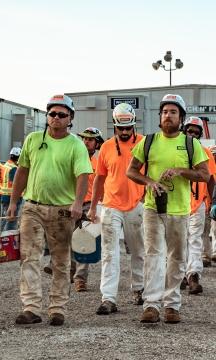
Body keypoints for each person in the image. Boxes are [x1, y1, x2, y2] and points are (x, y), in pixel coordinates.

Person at [8, 94, 92, 326]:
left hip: (62, 211)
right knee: (29, 258)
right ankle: (31, 307)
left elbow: (83, 175)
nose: (55, 118)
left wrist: (77, 203)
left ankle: (57, 309)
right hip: (33, 207)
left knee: (60, 261)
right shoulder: (33, 139)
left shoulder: (76, 144)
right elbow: (22, 171)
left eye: (61, 114)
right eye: (52, 114)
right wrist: (14, 201)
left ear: (70, 118)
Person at [127, 94, 209, 324]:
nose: (168, 116)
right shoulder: (149, 141)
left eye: (173, 112)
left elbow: (205, 174)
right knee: (153, 254)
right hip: (153, 207)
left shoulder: (191, 144)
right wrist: (149, 182)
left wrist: (181, 171)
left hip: (180, 210)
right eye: (164, 112)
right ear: (160, 116)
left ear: (180, 117)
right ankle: (151, 305)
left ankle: (172, 305)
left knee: (177, 256)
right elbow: (131, 171)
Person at [87, 103, 145, 314]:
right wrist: (94, 208)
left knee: (139, 251)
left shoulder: (143, 144)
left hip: (137, 205)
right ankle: (108, 298)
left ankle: (139, 289)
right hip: (111, 206)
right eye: (121, 128)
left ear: (133, 125)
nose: (124, 132)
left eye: (128, 128)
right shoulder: (106, 147)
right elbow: (99, 179)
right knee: (110, 253)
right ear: (114, 126)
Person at [181, 117, 216, 294]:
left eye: (196, 132)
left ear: (200, 134)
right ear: (184, 130)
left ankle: (193, 275)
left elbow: (211, 179)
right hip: (177, 204)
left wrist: (212, 201)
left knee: (194, 240)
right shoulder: (176, 150)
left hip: (199, 203)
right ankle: (179, 275)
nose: (193, 134)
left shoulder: (206, 153)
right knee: (177, 241)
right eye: (190, 131)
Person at [73, 127, 104, 292]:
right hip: (70, 203)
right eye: (84, 139)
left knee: (83, 241)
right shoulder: (74, 157)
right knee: (66, 239)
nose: (86, 142)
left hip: (88, 205)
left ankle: (80, 279)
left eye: (90, 139)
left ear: (97, 143)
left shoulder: (99, 162)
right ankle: (70, 270)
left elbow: (103, 184)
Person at [0, 147, 22, 231]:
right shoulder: (14, 168)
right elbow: (14, 183)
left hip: (5, 196)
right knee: (11, 220)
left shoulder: (5, 166)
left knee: (5, 218)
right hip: (12, 197)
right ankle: (8, 238)